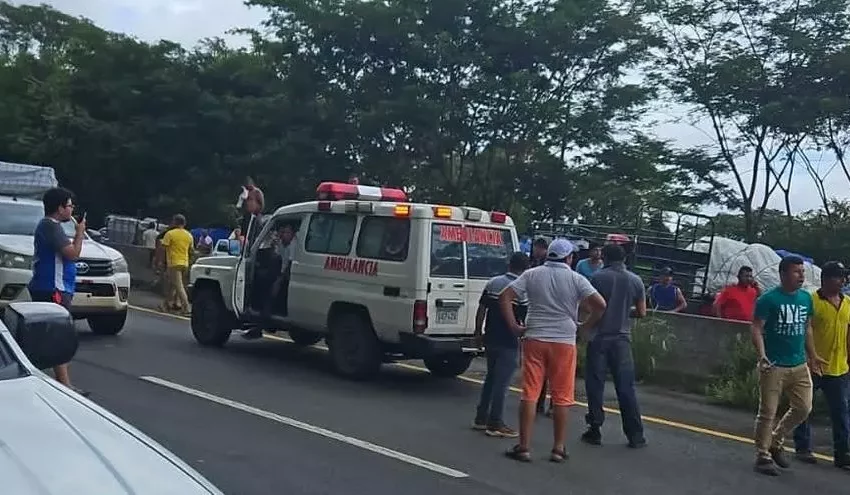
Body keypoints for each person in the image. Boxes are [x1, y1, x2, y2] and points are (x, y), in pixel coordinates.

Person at [499, 239, 607, 463]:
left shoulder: (532, 274)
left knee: (530, 392)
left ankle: (524, 446)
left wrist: (513, 326)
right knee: (561, 396)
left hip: (535, 336)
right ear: (569, 258)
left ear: (548, 255)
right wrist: (584, 327)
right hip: (564, 341)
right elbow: (600, 305)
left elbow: (506, 296)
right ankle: (558, 448)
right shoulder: (576, 278)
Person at [751, 255, 827, 476]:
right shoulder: (768, 300)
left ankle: (776, 440)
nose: (801, 275)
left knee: (804, 408)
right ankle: (762, 456)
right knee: (767, 412)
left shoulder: (805, 298)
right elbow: (756, 328)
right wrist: (762, 355)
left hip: (799, 364)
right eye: (796, 271)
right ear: (783, 274)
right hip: (774, 365)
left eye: (802, 271)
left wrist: (812, 355)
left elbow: (807, 328)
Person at [581, 243, 648, 448]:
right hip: (622, 339)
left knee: (595, 384)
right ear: (624, 259)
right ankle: (635, 435)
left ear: (605, 258)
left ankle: (595, 428)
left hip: (599, 337)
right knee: (626, 388)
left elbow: (587, 306)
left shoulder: (597, 278)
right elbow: (642, 312)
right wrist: (622, 311)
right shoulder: (636, 280)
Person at [28, 187, 87, 396]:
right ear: (60, 207)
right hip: (53, 287)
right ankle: (64, 383)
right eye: (70, 205)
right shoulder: (50, 226)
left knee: (47, 334)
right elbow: (72, 254)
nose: (72, 210)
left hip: (57, 286)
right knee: (58, 335)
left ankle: (60, 380)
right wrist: (79, 234)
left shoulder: (51, 227)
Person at [793, 261, 850, 469]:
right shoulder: (811, 301)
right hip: (812, 365)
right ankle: (803, 447)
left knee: (841, 413)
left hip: (839, 368)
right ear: (826, 279)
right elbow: (802, 330)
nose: (843, 280)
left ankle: (842, 454)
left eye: (844, 276)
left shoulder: (847, 303)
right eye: (839, 276)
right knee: (804, 407)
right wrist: (807, 356)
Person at [472, 252, 529, 438]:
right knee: (502, 383)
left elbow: (482, 308)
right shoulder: (521, 289)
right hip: (509, 340)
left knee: (491, 378)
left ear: (509, 264)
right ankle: (495, 422)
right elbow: (523, 317)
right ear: (526, 268)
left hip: (491, 337)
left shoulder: (493, 282)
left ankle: (481, 417)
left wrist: (478, 331)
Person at [158, 214, 194, 315]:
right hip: (185, 263)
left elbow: (163, 249)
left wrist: (161, 262)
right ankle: (165, 304)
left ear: (174, 222)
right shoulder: (189, 235)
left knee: (179, 286)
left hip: (174, 263)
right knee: (172, 285)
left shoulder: (170, 234)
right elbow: (191, 251)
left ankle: (186, 307)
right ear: (184, 223)